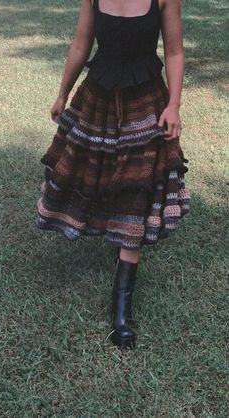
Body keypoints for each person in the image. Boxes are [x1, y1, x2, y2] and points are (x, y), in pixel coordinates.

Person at [35, 0, 190, 349]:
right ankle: (114, 232)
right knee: (97, 175)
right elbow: (80, 44)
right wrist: (61, 93)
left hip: (146, 100)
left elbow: (176, 51)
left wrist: (174, 104)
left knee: (137, 185)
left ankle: (122, 307)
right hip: (99, 97)